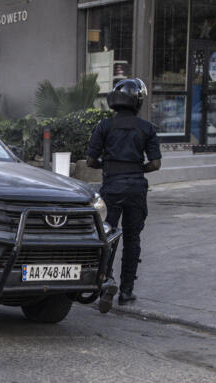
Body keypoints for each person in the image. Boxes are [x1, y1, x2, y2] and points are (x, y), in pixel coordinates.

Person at [86, 78, 161, 311]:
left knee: (106, 235)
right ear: (137, 100)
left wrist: (108, 165)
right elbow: (156, 164)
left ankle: (105, 282)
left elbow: (90, 161)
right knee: (132, 238)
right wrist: (137, 168)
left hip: (112, 187)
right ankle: (127, 291)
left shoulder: (104, 126)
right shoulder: (147, 128)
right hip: (136, 187)